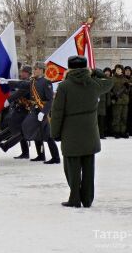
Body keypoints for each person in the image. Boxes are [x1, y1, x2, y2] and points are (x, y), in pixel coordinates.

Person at [51, 56, 113, 208]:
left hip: (70, 131)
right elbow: (110, 82)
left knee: (71, 168)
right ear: (86, 68)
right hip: (89, 131)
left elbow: (57, 112)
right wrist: (96, 72)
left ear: (69, 68)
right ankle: (87, 199)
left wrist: (55, 133)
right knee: (88, 167)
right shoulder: (94, 83)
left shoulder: (64, 86)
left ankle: (74, 198)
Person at [110, 64, 130, 138]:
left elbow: (128, 92)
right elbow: (109, 90)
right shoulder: (112, 79)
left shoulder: (125, 79)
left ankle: (122, 131)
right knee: (116, 117)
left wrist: (127, 88)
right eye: (117, 69)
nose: (118, 70)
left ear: (122, 70)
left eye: (120, 69)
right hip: (117, 101)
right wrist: (113, 96)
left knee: (124, 117)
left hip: (124, 101)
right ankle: (116, 132)